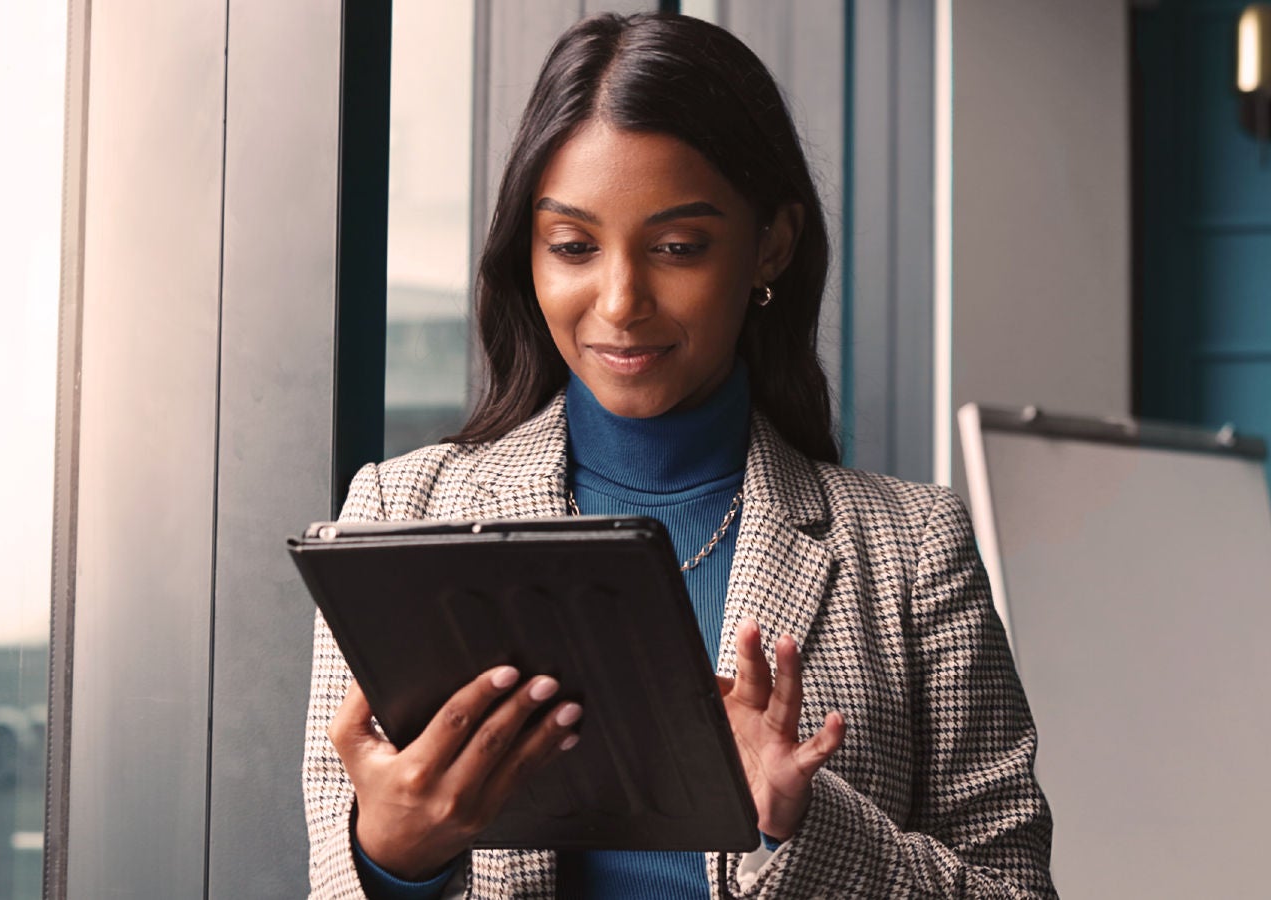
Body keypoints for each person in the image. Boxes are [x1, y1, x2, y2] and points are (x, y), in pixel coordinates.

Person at [304, 12, 1054, 899]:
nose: (620, 303)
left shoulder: (912, 549)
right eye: (574, 247)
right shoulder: (399, 516)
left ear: (769, 243)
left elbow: (1014, 890)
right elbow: (337, 877)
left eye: (677, 248)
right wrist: (392, 858)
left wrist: (802, 827)